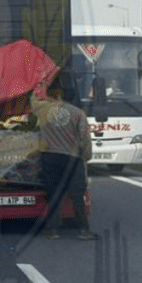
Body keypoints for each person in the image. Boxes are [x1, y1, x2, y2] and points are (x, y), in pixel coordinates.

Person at [30, 86, 97, 241]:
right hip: (72, 159)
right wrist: (86, 157)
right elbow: (85, 139)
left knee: (54, 194)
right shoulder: (78, 113)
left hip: (50, 157)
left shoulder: (43, 111)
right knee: (77, 195)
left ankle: (52, 230)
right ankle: (84, 231)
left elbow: (32, 104)